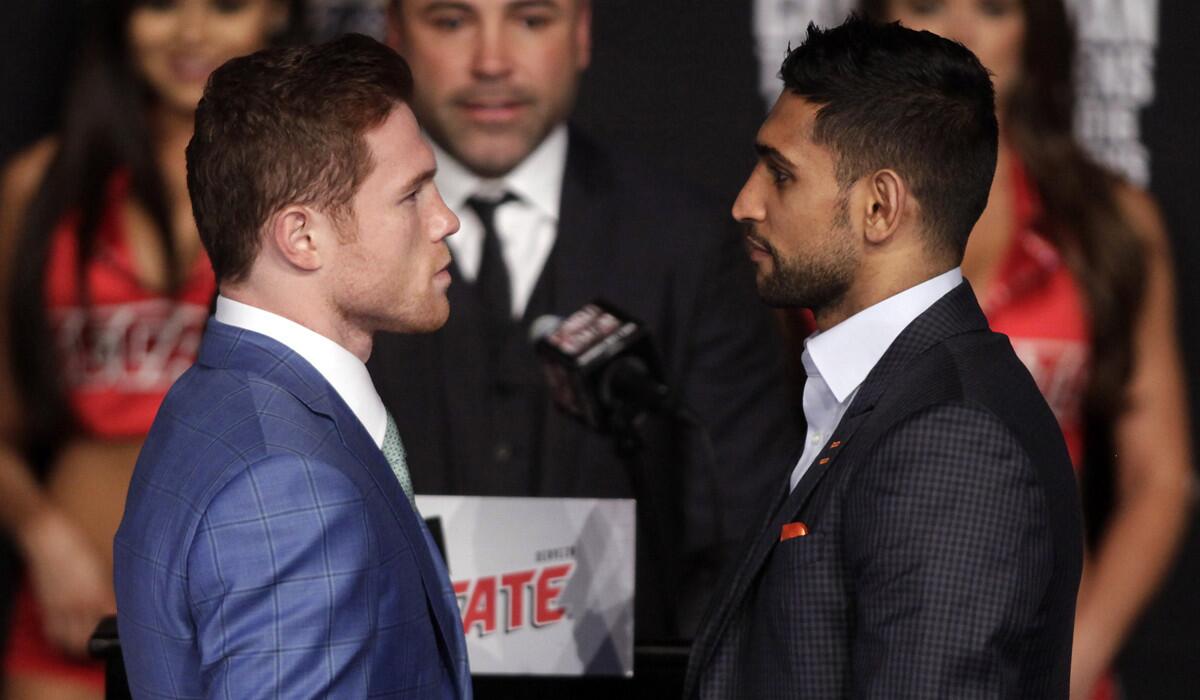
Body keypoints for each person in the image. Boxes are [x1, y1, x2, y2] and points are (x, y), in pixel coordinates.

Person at [686, 16, 1084, 698]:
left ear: (880, 207)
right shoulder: (886, 396)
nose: (744, 202)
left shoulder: (950, 441)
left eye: (780, 175)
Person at [376, 0, 799, 640]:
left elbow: (742, 527)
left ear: (581, 35)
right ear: (396, 36)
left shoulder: (685, 244)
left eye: (531, 20)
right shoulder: (332, 242)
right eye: (452, 21)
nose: (492, 63)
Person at [112, 34, 471, 697]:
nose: (446, 220)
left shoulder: (208, 400)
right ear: (302, 237)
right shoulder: (291, 487)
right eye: (411, 195)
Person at [861, 2, 1194, 698]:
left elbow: (1161, 477)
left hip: (1052, 657)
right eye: (926, 4)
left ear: (1034, 31)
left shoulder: (1109, 225)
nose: (961, 30)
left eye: (992, 6)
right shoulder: (815, 214)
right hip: (866, 656)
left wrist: (1076, 655)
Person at [0, 1, 299, 697]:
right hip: (77, 608)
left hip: (257, 608)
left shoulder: (311, 187)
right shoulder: (38, 187)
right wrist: (43, 537)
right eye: (162, 4)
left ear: (276, 12)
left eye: (225, 5)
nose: (191, 33)